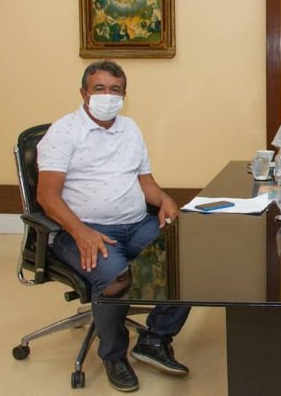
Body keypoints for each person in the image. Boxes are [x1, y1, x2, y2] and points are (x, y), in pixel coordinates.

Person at [37, 60, 191, 392]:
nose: (108, 95)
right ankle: (113, 356)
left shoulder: (130, 128)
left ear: (124, 95)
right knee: (116, 276)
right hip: (80, 228)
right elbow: (47, 197)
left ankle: (154, 340)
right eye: (100, 88)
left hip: (135, 223)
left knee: (185, 260)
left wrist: (164, 199)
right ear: (84, 93)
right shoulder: (64, 132)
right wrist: (81, 232)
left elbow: (145, 181)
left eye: (115, 90)